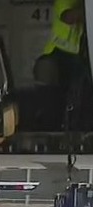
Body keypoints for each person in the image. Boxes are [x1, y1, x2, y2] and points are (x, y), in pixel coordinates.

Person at [34, 0, 87, 131]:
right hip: (56, 55)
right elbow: (68, 17)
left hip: (74, 57)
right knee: (54, 102)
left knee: (76, 98)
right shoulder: (66, 1)